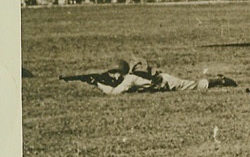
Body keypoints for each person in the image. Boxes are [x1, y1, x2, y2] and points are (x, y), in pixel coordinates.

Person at [62, 57, 238, 95]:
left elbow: (114, 93)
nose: (112, 75)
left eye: (113, 72)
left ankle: (219, 80)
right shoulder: (128, 77)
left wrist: (97, 84)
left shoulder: (129, 79)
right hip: (162, 82)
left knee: (194, 86)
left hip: (166, 82)